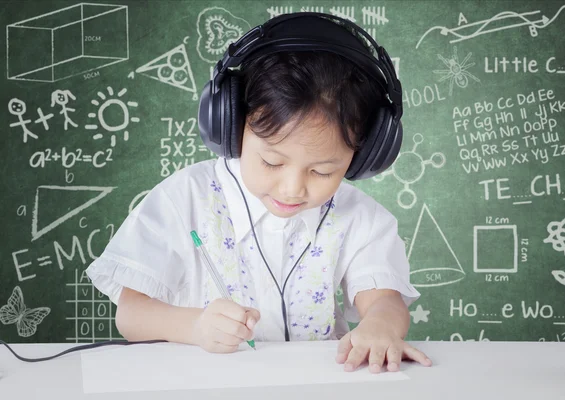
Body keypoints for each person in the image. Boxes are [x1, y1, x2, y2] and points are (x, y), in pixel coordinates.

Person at [85, 12, 432, 374]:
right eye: (271, 161)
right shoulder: (182, 198)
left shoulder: (359, 216)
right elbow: (131, 314)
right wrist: (196, 326)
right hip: (206, 383)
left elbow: (385, 301)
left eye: (323, 171)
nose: (293, 188)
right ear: (232, 125)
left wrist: (380, 326)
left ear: (364, 156)